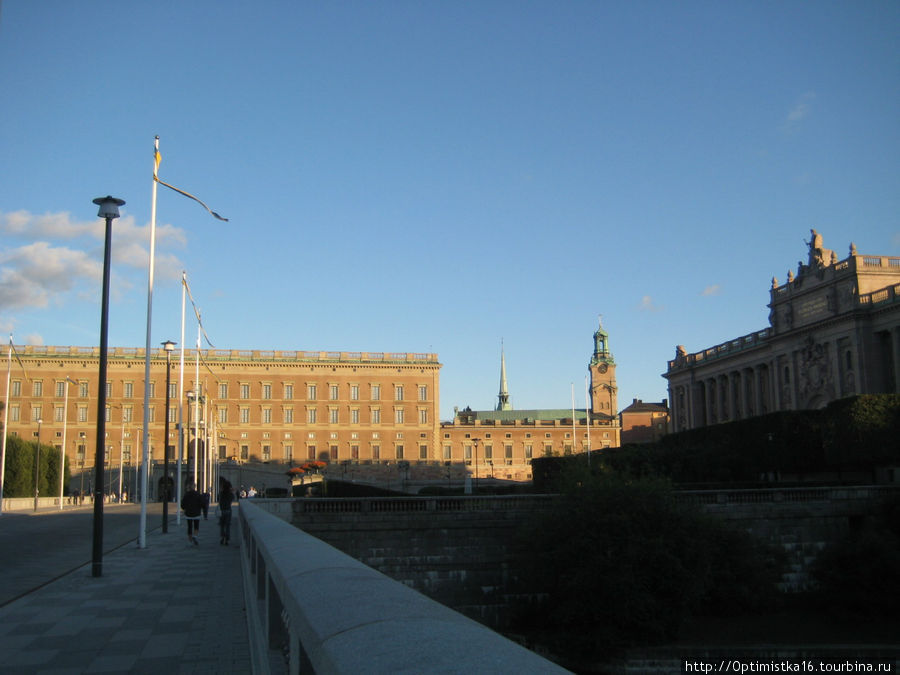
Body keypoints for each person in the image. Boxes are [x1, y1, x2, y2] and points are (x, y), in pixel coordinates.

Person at [181, 481, 204, 545]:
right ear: (195, 487)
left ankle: (190, 539)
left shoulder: (186, 494)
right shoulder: (198, 494)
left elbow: (182, 504)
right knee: (196, 526)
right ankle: (195, 536)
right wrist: (201, 508)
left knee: (189, 526)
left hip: (188, 513)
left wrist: (185, 508)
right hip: (196, 513)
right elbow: (202, 503)